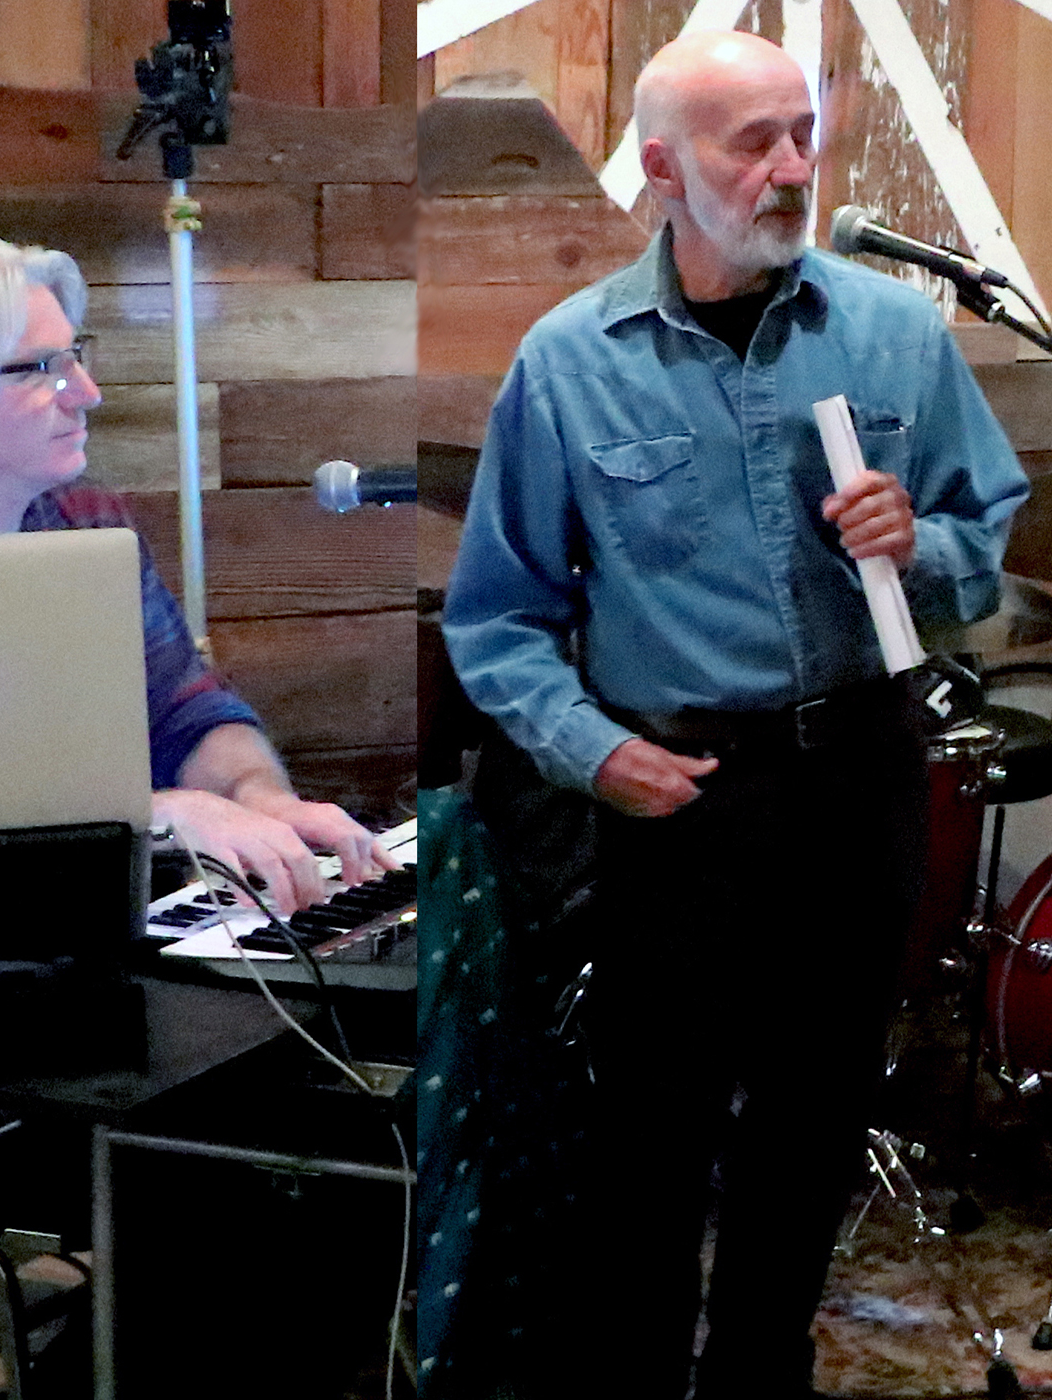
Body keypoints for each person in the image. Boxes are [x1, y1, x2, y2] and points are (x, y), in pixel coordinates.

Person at [442, 29, 1029, 1400]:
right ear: (661, 169)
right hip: (683, 788)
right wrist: (596, 754)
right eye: (749, 142)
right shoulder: (570, 361)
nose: (789, 168)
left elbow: (982, 544)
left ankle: (763, 1375)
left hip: (859, 773)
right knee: (651, 1133)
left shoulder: (893, 332)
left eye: (800, 134)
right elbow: (496, 619)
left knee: (814, 1122)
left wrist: (919, 547)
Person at [0, 232, 394, 912]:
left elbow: (188, 710)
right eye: (40, 369)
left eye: (75, 357)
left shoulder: (89, 523)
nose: (86, 393)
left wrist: (259, 796)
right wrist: (164, 813)